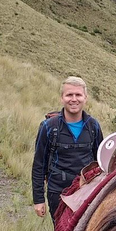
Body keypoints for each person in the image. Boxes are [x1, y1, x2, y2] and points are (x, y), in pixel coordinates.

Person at [32, 76, 103, 222]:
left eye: (78, 95)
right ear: (61, 98)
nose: (74, 99)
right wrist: (38, 199)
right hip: (57, 193)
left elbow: (101, 163)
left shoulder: (93, 126)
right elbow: (39, 164)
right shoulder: (49, 127)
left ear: (85, 98)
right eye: (69, 95)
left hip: (87, 192)